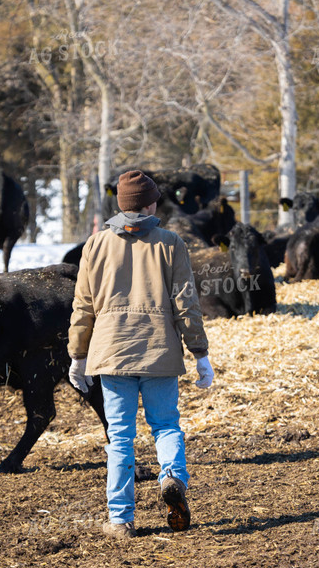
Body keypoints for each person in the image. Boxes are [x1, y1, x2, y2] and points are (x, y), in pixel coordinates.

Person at [67, 170, 214, 540]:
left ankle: (120, 519)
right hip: (159, 352)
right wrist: (200, 352)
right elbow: (186, 304)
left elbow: (83, 306)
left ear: (120, 203)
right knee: (165, 424)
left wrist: (77, 355)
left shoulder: (94, 245)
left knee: (120, 436)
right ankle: (171, 477)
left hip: (111, 353)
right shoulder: (170, 243)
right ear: (149, 204)